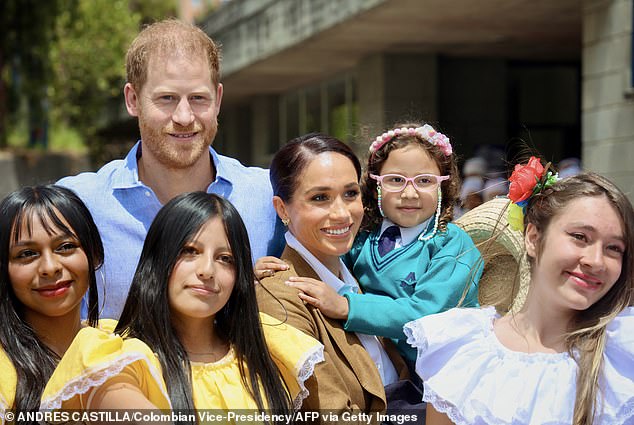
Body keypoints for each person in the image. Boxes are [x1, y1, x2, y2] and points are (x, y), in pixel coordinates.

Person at [57, 19, 283, 319]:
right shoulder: (78, 204)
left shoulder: (269, 198)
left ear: (218, 99)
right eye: (167, 98)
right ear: (133, 99)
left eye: (198, 98)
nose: (184, 116)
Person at [405, 167, 634, 424]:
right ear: (533, 238)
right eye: (580, 237)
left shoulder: (622, 351)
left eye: (614, 248)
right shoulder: (464, 348)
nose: (595, 260)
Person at [83, 192, 322, 415]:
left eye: (225, 259)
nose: (207, 271)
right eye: (189, 251)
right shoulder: (119, 359)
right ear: (157, 259)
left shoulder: (268, 344)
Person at [271, 124, 482, 366]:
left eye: (425, 181)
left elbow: (425, 315)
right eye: (395, 180)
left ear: (443, 186)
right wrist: (277, 265)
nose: (410, 193)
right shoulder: (361, 238)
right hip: (392, 374)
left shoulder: (452, 244)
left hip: (448, 373)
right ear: (375, 185)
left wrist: (347, 307)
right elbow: (328, 270)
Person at [256, 133, 411, 418]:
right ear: (282, 209)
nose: (342, 213)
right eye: (320, 198)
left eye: (350, 193)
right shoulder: (278, 297)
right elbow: (330, 414)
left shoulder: (359, 273)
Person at [0, 185, 112, 413]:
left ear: (94, 255)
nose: (50, 268)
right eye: (26, 254)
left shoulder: (120, 344)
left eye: (66, 247)